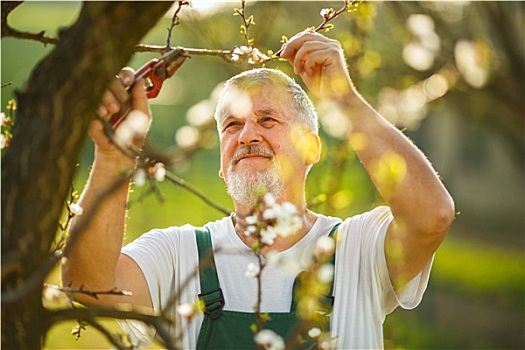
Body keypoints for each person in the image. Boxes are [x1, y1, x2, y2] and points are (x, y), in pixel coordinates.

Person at [62, 31, 454, 349]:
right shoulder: (181, 255)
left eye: (267, 120)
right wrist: (114, 156)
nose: (248, 134)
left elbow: (432, 216)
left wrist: (344, 99)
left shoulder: (355, 250)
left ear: (311, 148)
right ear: (220, 161)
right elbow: (88, 286)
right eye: (232, 126)